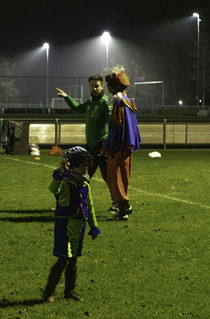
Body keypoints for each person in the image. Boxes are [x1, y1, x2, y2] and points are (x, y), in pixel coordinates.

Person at [43, 146, 100, 302]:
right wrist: (58, 176)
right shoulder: (65, 183)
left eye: (87, 163)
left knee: (73, 260)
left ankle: (69, 292)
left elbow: (90, 207)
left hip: (79, 227)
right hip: (65, 226)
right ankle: (48, 292)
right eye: (82, 163)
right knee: (63, 260)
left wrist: (94, 226)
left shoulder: (85, 185)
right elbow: (52, 188)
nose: (85, 167)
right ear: (72, 164)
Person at [103, 66, 140, 220]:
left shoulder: (120, 105)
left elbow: (118, 130)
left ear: (115, 86)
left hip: (118, 148)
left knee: (116, 178)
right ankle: (124, 206)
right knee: (121, 178)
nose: (107, 88)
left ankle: (123, 210)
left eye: (109, 85)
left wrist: (108, 145)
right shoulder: (127, 102)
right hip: (125, 148)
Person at [56, 74, 109, 179]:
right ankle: (80, 195)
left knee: (108, 178)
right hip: (90, 146)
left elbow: (112, 123)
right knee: (83, 177)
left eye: (97, 86)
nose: (94, 88)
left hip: (102, 147)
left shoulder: (106, 103)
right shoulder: (90, 102)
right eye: (92, 86)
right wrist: (67, 97)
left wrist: (108, 143)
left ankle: (117, 196)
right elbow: (78, 108)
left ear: (102, 86)